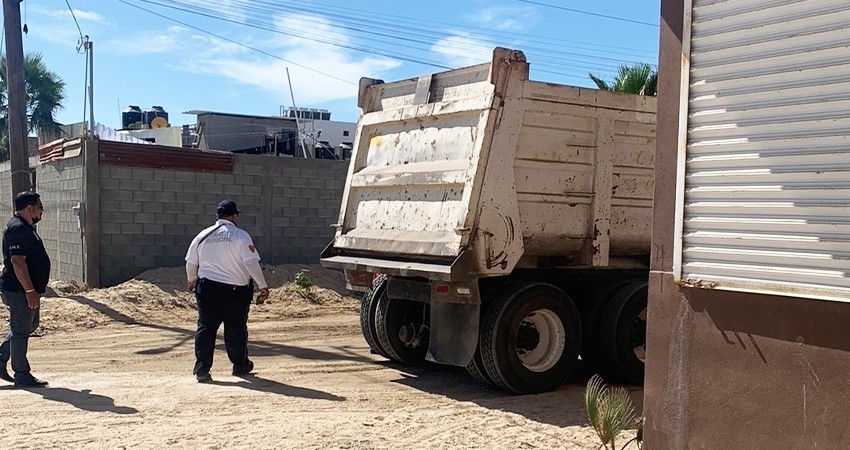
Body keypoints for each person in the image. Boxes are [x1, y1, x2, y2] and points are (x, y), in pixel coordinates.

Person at [185, 199, 269, 383]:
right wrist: (262, 284)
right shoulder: (240, 236)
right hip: (235, 292)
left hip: (207, 289)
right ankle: (240, 366)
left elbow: (191, 262)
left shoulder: (203, 235)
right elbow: (250, 263)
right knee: (236, 329)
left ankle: (202, 369)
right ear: (234, 216)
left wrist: (191, 280)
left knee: (206, 328)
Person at [0, 191, 50, 387]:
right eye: (40, 207)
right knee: (21, 331)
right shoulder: (18, 228)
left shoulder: (27, 227)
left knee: (28, 326)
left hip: (27, 290)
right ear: (30, 208)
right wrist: (29, 291)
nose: (41, 211)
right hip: (18, 290)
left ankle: (1, 358)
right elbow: (17, 262)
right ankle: (22, 375)